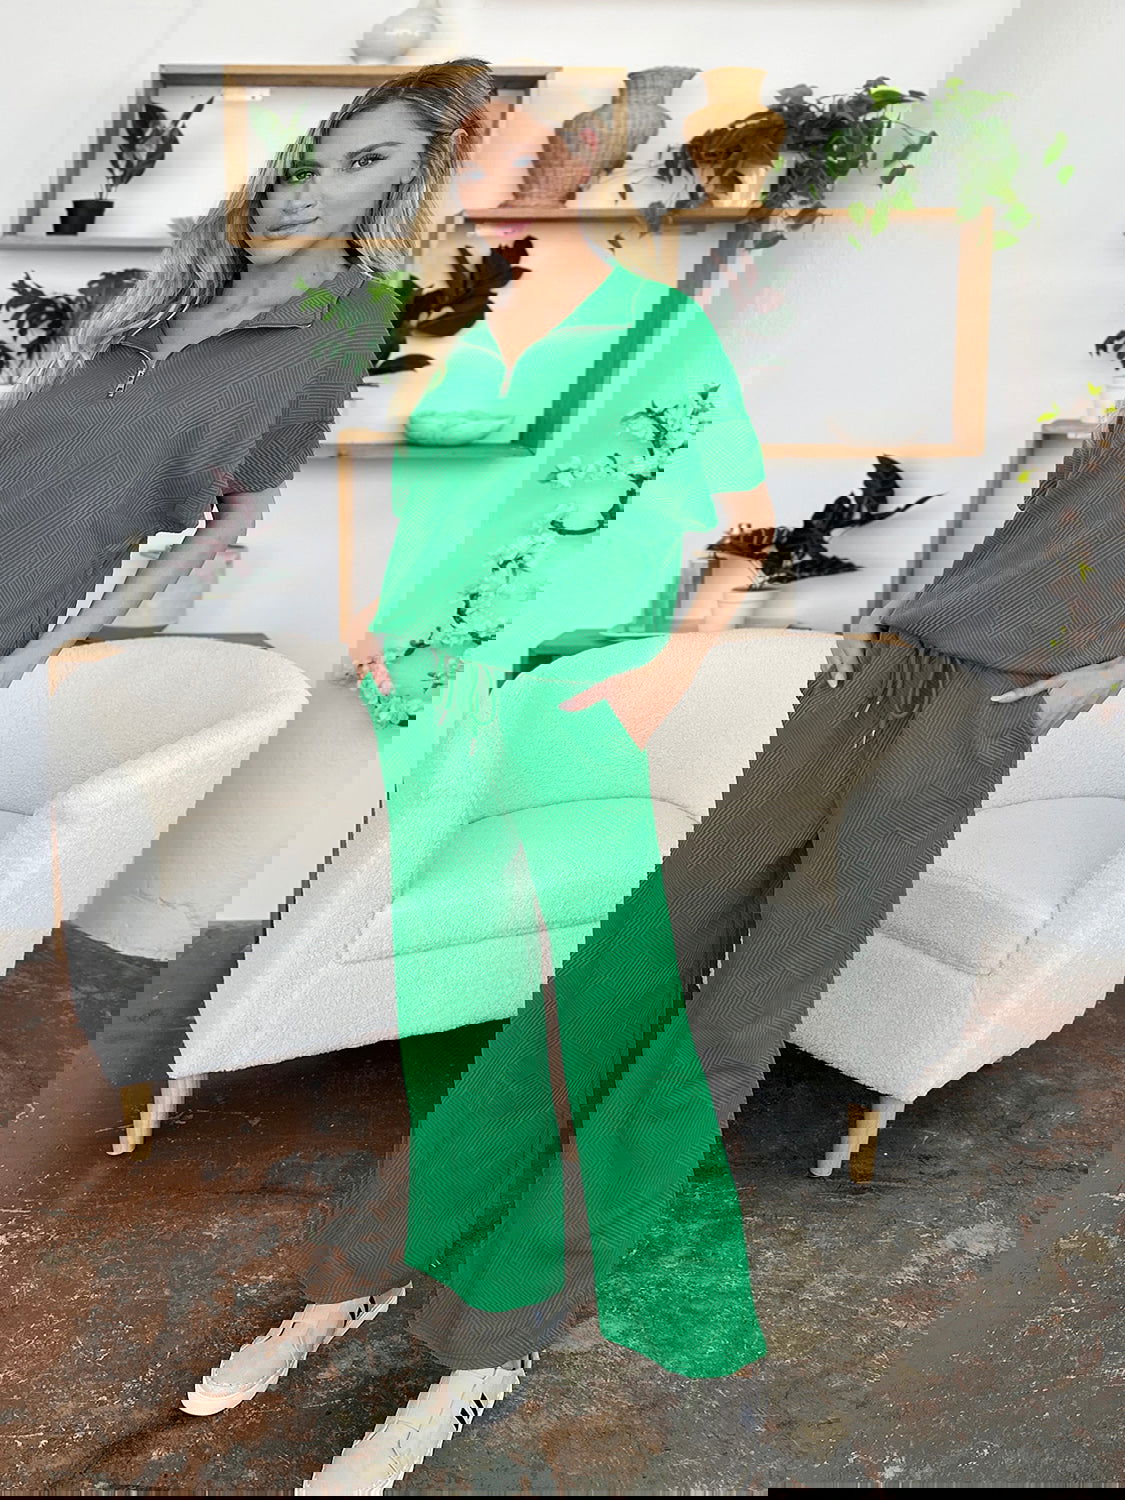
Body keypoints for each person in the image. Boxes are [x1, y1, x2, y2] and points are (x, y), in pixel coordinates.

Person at [0, 59, 495, 662]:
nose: (304, 195)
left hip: (24, 589)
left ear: (411, 182)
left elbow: (240, 509)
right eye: (306, 166)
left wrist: (58, 641)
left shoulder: (351, 320)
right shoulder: (166, 278)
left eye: (365, 162)